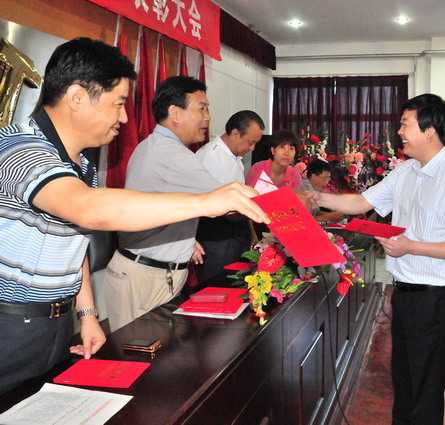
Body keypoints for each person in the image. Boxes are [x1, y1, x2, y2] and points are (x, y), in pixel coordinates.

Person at [0, 38, 268, 395]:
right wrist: (206, 202)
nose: (124, 118)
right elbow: (89, 210)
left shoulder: (78, 163)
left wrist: (87, 314)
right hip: (10, 324)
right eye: (118, 104)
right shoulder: (20, 148)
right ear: (77, 97)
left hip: (56, 323)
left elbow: (73, 246)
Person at [309, 94, 445, 424]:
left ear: (429, 130)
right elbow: (362, 203)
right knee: (404, 383)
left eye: (405, 124)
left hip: (433, 299)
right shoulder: (407, 171)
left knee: (425, 389)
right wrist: (316, 197)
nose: (399, 131)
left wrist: (411, 247)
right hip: (403, 293)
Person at [104, 75, 234, 331]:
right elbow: (225, 201)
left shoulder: (152, 145)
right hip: (145, 277)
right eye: (201, 109)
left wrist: (183, 239)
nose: (207, 117)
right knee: (140, 350)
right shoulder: (173, 154)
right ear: (175, 113)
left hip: (149, 273)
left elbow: (158, 204)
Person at [194, 110, 265, 285]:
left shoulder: (235, 158)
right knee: (217, 285)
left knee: (237, 284)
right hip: (216, 235)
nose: (252, 148)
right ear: (235, 133)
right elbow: (205, 202)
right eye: (251, 142)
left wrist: (250, 231)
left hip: (236, 231)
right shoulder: (211, 156)